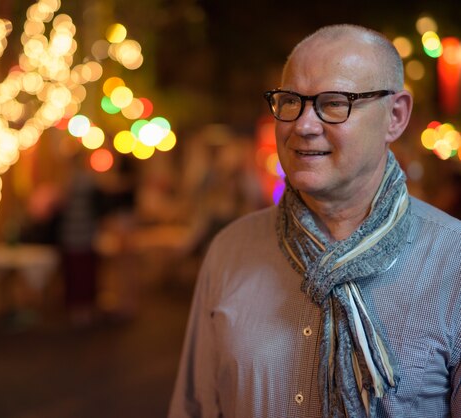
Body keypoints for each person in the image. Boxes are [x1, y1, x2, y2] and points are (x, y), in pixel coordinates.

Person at [168, 24, 461, 418]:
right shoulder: (230, 250)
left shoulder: (452, 260)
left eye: (335, 102)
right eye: (290, 101)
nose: (303, 125)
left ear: (395, 116)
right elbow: (196, 408)